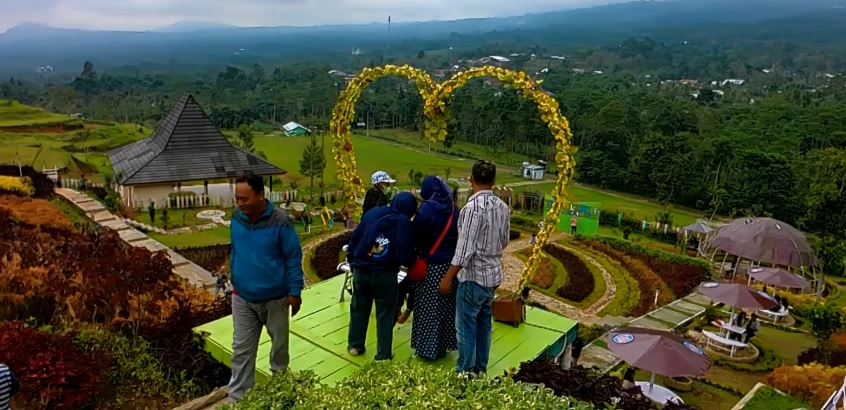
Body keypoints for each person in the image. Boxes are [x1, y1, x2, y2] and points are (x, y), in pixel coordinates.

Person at [227, 173, 305, 404]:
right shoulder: (236, 217)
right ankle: (237, 400)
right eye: (237, 198)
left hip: (275, 299)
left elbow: (293, 257)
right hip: (242, 298)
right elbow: (236, 249)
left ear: (261, 195)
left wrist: (295, 293)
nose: (240, 203)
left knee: (279, 350)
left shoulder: (280, 222)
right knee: (241, 351)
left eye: (245, 199)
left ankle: (279, 393)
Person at [439, 160, 510, 374]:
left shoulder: (471, 209)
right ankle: (480, 367)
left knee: (466, 327)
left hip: (473, 278)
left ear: (471, 179)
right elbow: (504, 241)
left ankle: (465, 371)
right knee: (484, 323)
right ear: (494, 180)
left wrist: (447, 278)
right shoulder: (502, 207)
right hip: (492, 277)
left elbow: (464, 251)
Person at [347, 192, 417, 360]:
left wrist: (352, 260)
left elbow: (355, 237)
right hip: (384, 274)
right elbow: (405, 257)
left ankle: (355, 346)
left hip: (361, 269)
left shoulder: (374, 212)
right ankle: (383, 354)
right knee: (385, 313)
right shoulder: (403, 223)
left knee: (359, 308)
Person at [411, 176, 460, 360]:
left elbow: (416, 236)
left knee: (428, 308)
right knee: (445, 308)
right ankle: (443, 346)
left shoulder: (426, 209)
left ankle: (427, 350)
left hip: (430, 265)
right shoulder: (455, 208)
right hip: (450, 267)